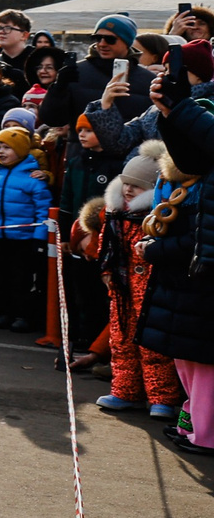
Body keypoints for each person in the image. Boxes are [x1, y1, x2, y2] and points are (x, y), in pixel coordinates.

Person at [137, 63, 214, 451]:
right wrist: (169, 111)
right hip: (202, 257)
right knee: (190, 356)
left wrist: (181, 106)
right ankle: (194, 426)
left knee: (205, 361)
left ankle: (206, 433)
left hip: (203, 256)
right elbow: (194, 152)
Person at [81, 146, 180, 415]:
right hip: (121, 290)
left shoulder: (157, 219)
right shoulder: (116, 217)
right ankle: (125, 391)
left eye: (136, 187)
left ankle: (163, 398)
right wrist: (106, 269)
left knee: (153, 347)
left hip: (151, 290)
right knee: (121, 342)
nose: (128, 191)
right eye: (126, 184)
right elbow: (105, 247)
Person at [0, 124, 50, 333]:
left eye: (7, 148)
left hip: (22, 239)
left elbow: (42, 212)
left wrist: (39, 238)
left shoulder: (34, 180)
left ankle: (22, 314)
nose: (1, 152)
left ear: (21, 150)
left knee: (21, 278)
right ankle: (1, 311)